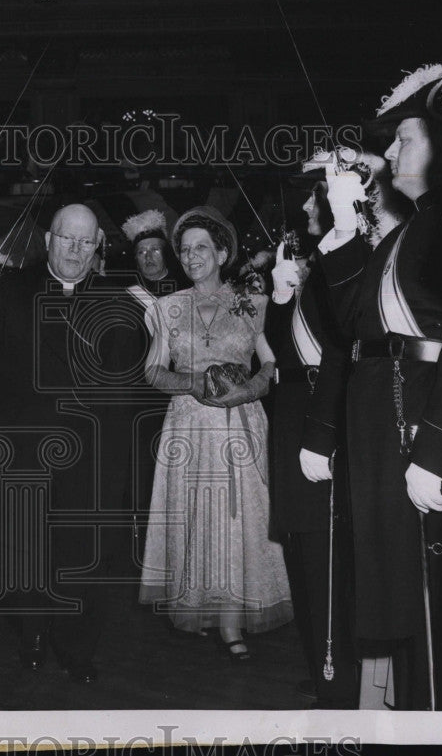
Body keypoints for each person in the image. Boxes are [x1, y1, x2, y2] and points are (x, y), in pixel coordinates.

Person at [313, 66, 442, 709]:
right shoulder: (414, 228)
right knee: (396, 595)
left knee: (428, 606)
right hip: (386, 423)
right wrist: (341, 224)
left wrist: (436, 450)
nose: (389, 154)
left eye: (404, 141)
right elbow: (355, 322)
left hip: (419, 427)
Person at [0, 204, 126, 683]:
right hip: (22, 445)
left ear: (97, 248)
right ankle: (31, 634)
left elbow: (126, 388)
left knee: (84, 555)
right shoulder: (8, 290)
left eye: (86, 242)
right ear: (48, 239)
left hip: (89, 453)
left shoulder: (117, 301)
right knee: (23, 550)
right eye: (66, 238)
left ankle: (77, 650)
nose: (75, 250)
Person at [138, 206, 293, 660]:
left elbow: (271, 364)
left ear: (222, 252)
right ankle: (197, 605)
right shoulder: (166, 308)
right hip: (187, 425)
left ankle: (230, 622)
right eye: (184, 251)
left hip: (238, 425)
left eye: (201, 247)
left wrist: (246, 391)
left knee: (234, 520)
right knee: (192, 516)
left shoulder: (251, 302)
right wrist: (193, 382)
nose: (191, 257)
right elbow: (152, 371)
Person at [265, 170, 358, 707]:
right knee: (304, 552)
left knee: (328, 557)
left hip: (328, 424)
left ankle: (338, 678)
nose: (306, 205)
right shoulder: (314, 270)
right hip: (295, 422)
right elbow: (285, 356)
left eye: (315, 196)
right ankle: (322, 669)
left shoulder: (342, 267)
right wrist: (281, 296)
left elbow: (342, 352)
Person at [117, 210, 186, 566]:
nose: (148, 257)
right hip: (139, 405)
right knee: (145, 482)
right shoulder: (123, 298)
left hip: (181, 400)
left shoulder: (187, 292)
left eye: (155, 250)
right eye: (142, 252)